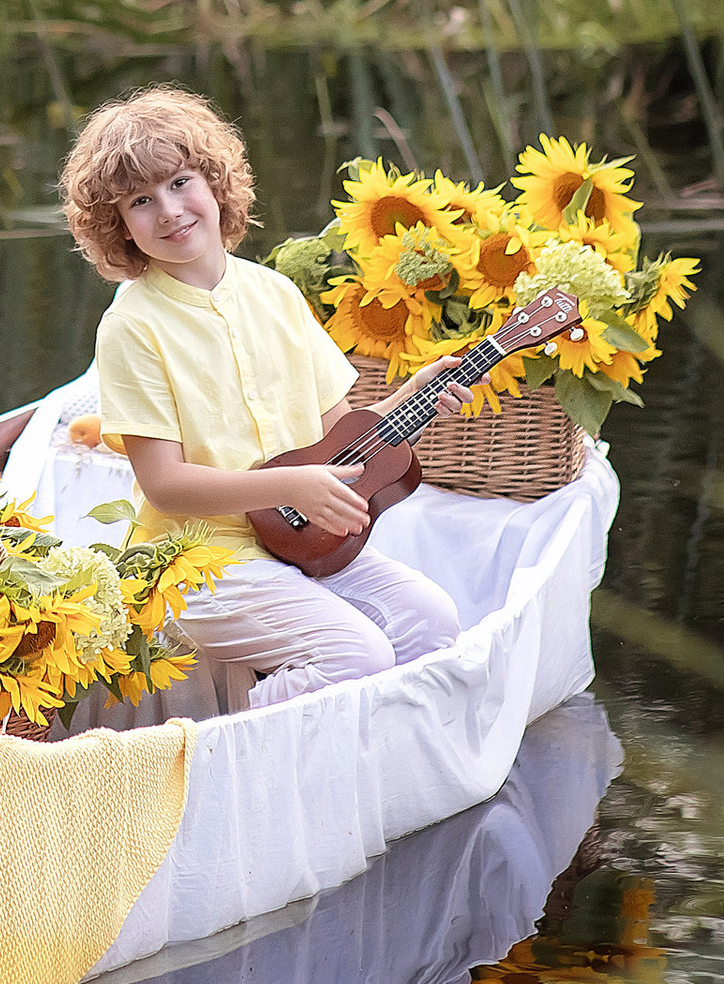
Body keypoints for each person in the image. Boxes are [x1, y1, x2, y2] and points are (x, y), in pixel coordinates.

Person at [62, 86, 463, 709]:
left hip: (299, 537)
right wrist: (289, 488)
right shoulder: (131, 325)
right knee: (353, 653)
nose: (168, 211)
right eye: (141, 201)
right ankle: (230, 759)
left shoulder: (275, 293)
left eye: (179, 182)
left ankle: (360, 774)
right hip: (196, 558)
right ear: (118, 226)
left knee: (432, 623)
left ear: (215, 183)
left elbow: (338, 443)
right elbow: (165, 485)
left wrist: (413, 400)